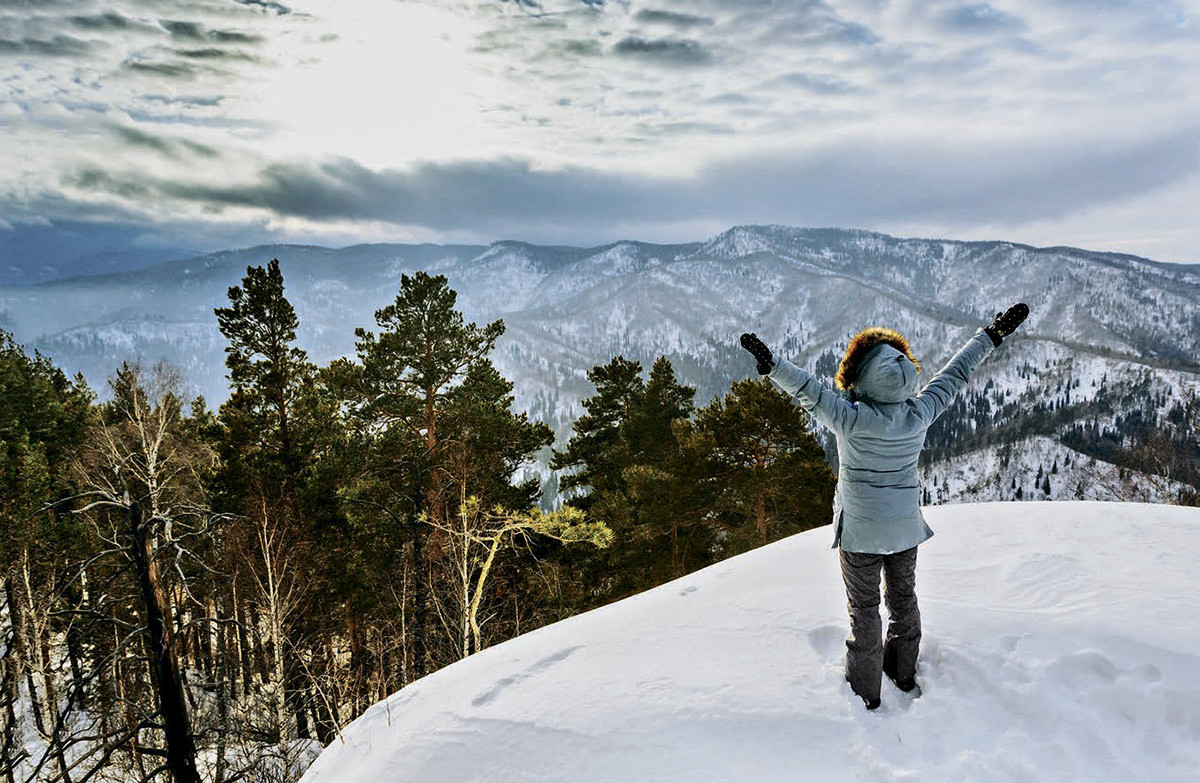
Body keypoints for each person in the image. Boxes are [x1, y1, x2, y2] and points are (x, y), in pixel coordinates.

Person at [739, 304, 1029, 710]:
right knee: (904, 601)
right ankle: (903, 672)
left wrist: (773, 366)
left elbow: (808, 390)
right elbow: (956, 372)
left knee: (864, 611)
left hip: (860, 532)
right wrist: (991, 335)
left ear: (858, 376)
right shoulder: (919, 413)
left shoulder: (851, 418)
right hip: (905, 530)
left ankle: (866, 692)